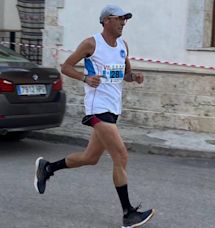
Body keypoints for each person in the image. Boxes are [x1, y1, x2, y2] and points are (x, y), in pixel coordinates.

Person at [34, 5, 155, 228]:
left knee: (90, 158)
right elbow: (66, 67)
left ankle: (47, 168)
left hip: (113, 109)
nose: (123, 23)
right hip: (96, 109)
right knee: (121, 156)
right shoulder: (91, 44)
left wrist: (134, 76)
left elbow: (125, 74)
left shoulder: (122, 46)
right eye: (120, 19)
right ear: (106, 20)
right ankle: (128, 214)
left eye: (125, 20)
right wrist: (85, 79)